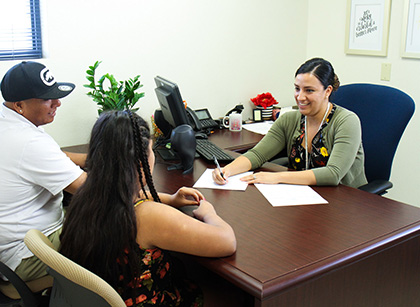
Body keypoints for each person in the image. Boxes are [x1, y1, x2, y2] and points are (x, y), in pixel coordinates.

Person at [59, 110, 236, 306]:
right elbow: (227, 242)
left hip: (106, 297)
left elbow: (125, 195)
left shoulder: (86, 195)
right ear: (140, 160)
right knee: (226, 294)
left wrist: (170, 199)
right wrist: (209, 213)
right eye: (151, 150)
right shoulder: (147, 216)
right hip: (149, 299)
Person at [0, 61, 87, 281]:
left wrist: (94, 159)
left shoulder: (2, 123)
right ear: (19, 105)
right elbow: (93, 190)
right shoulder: (28, 141)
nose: (58, 103)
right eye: (47, 99)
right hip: (25, 256)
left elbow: (54, 157)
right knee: (115, 227)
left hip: (4, 250)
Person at [213, 58, 367, 188]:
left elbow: (333, 174)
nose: (300, 97)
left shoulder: (346, 121)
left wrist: (277, 177)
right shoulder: (289, 119)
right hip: (302, 194)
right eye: (297, 89)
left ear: (327, 91)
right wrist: (227, 170)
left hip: (345, 200)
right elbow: (257, 154)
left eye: (309, 90)